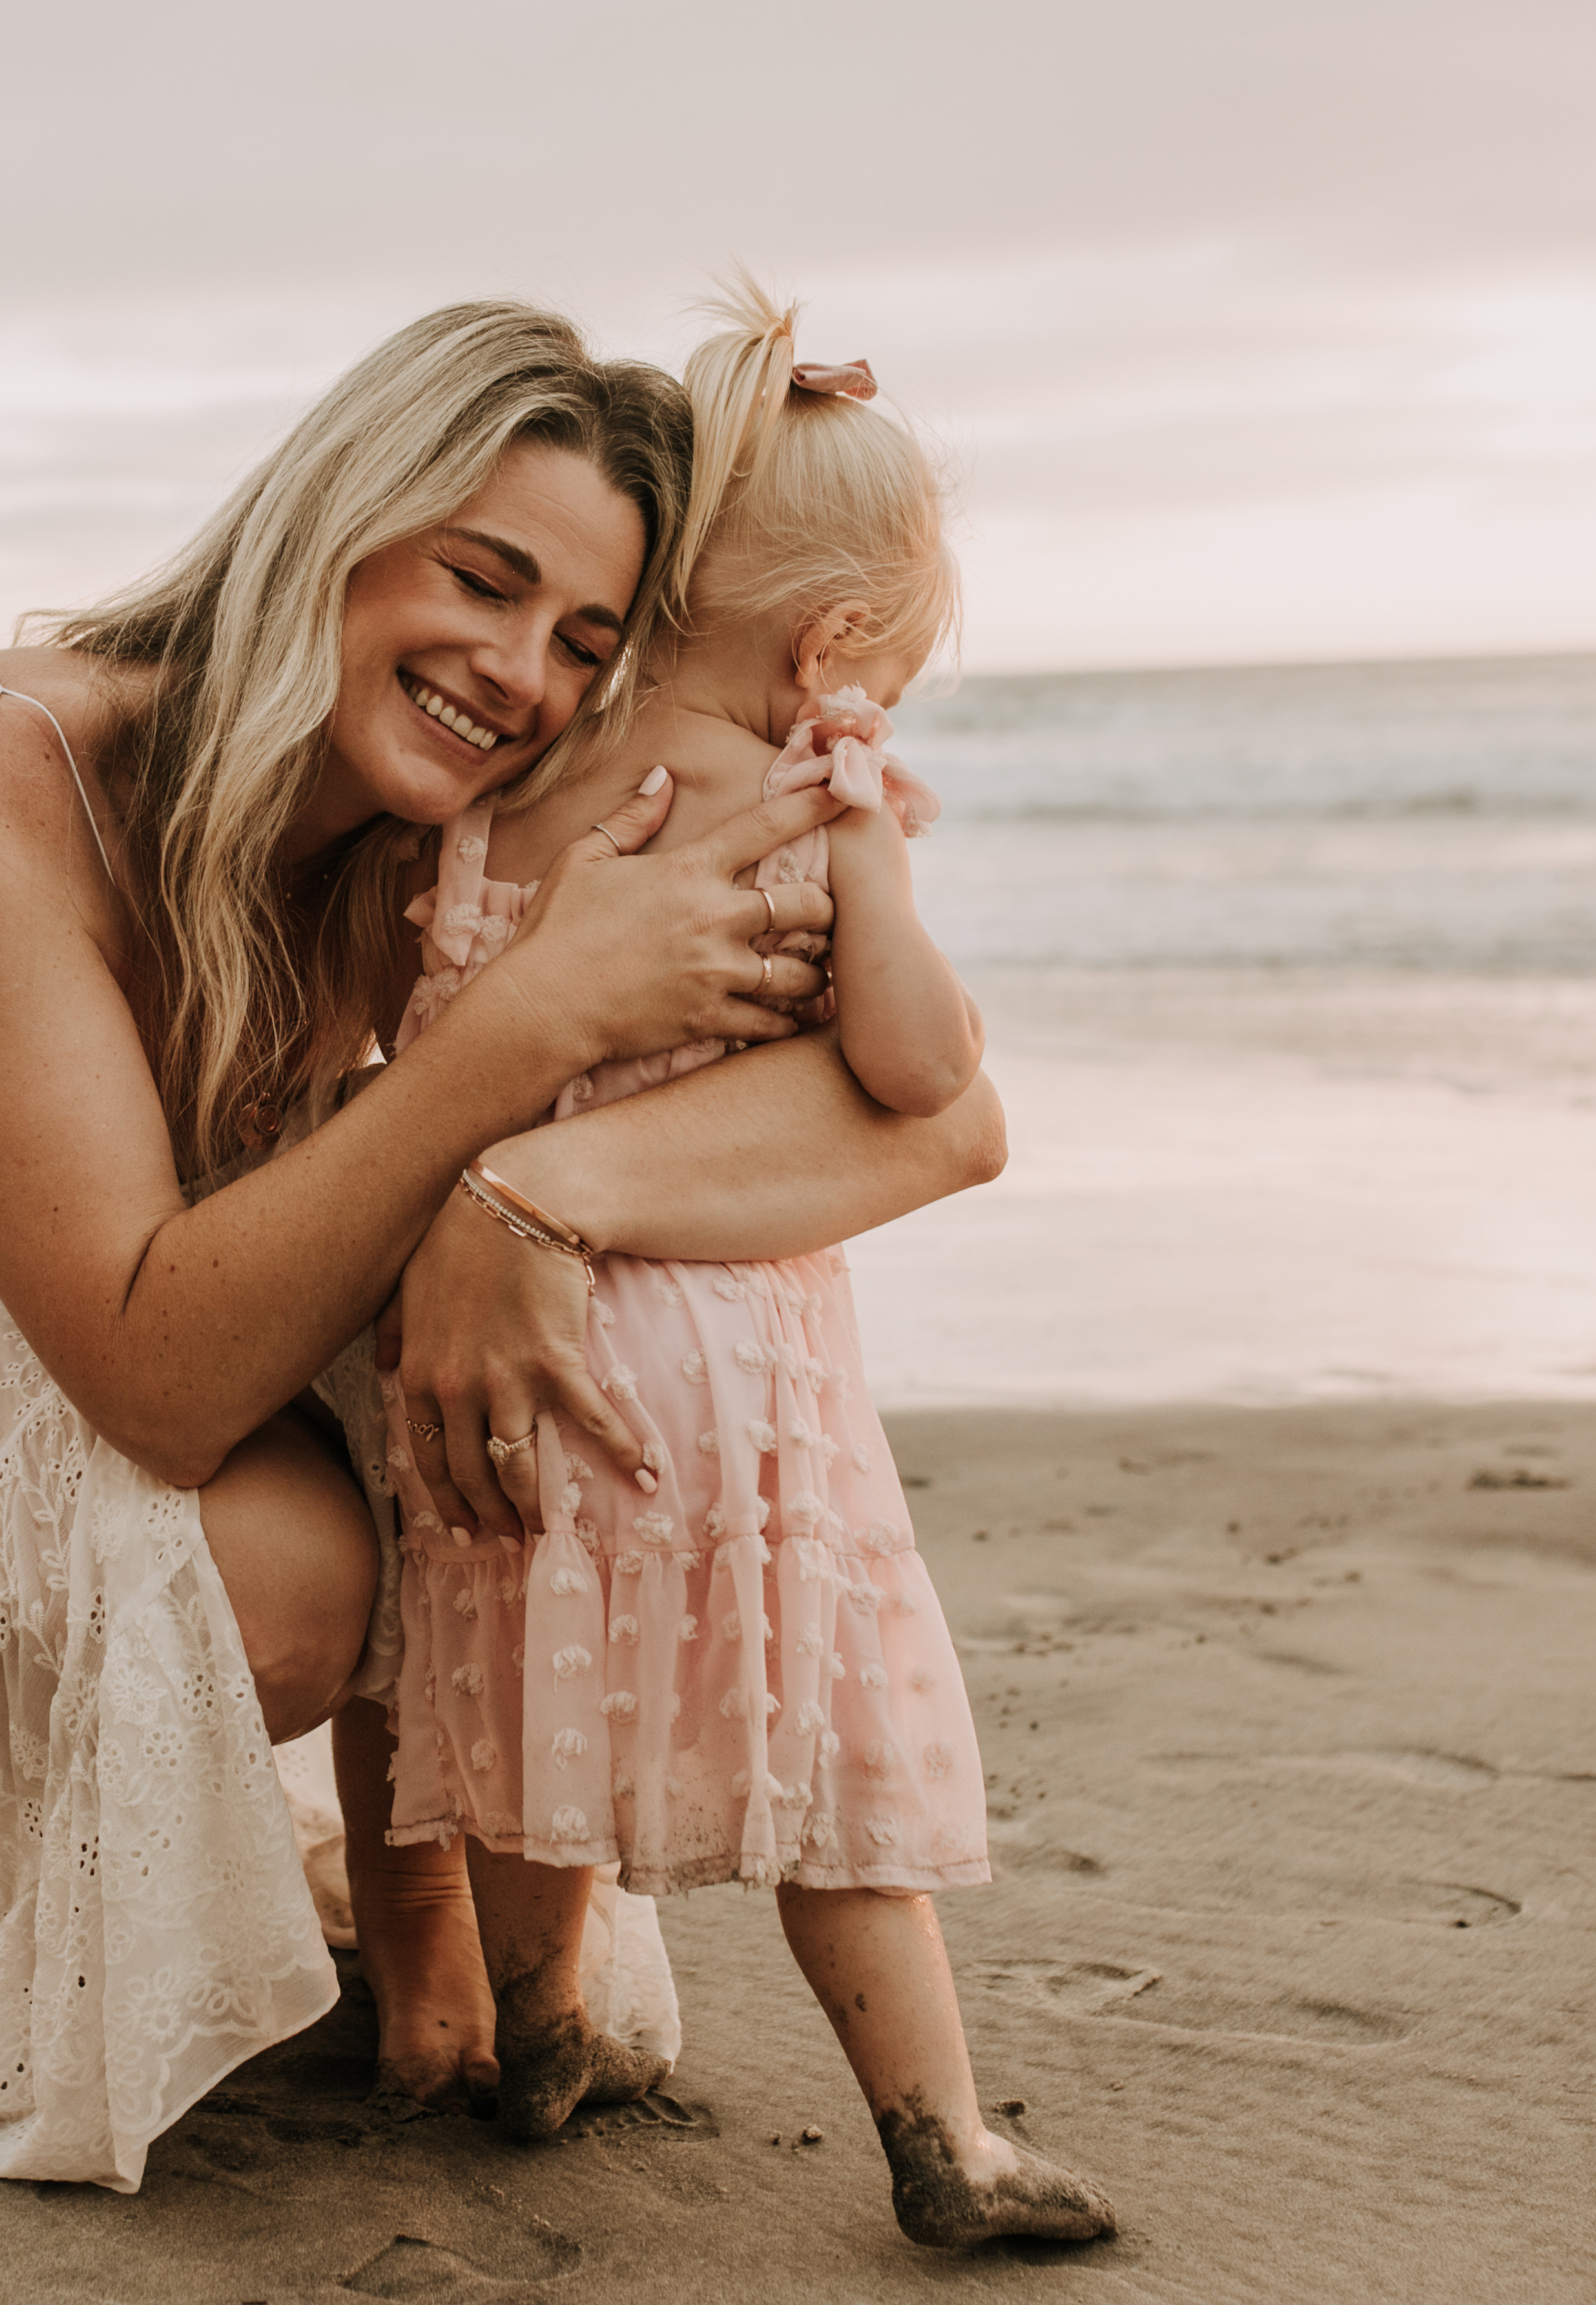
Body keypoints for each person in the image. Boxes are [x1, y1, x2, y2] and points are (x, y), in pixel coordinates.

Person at [0, 299, 1008, 2192]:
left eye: (588, 641)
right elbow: (162, 1373)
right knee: (288, 1574)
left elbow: (940, 1116)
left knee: (498, 1366)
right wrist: (528, 1039)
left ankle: (423, 1928)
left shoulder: (442, 830)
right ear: (339, 514)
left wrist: (536, 1196)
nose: (518, 671)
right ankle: (49, 1847)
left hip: (201, 1308)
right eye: (483, 577)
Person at [343, 280, 1114, 2249]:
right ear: (838, 645)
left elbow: (434, 1049)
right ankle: (942, 2137)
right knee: (833, 1763)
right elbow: (921, 1072)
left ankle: (542, 2038)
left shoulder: (510, 789)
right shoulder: (802, 794)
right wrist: (873, 842)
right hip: (731, 1360)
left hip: (504, 1344)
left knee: (527, 1728)